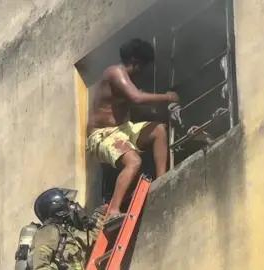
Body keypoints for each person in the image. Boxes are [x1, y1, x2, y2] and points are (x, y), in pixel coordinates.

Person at [86, 38, 179, 223]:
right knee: (133, 162)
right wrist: (168, 97)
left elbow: (133, 105)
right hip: (102, 134)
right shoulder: (114, 72)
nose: (144, 73)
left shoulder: (126, 79)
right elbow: (136, 98)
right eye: (143, 67)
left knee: (158, 130)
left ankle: (161, 182)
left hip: (122, 129)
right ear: (135, 62)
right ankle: (113, 209)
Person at [29, 188, 105, 270]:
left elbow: (93, 238)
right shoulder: (49, 230)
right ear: (59, 209)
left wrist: (101, 213)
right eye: (69, 203)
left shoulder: (68, 234)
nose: (75, 206)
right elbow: (40, 265)